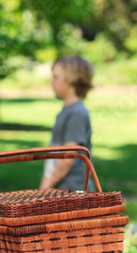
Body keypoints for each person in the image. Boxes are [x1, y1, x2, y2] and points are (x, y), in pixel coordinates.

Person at [39, 56, 96, 191]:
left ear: (72, 80)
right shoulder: (67, 111)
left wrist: (45, 187)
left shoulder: (77, 113)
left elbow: (68, 157)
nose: (51, 82)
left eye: (56, 77)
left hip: (73, 190)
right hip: (61, 187)